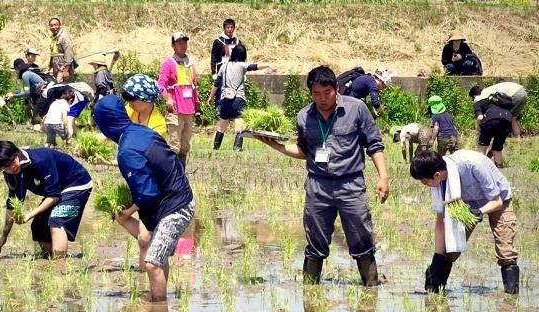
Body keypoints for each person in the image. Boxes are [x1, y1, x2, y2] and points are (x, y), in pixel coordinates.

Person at [251, 65, 390, 287]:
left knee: (361, 238)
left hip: (350, 184)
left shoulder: (357, 109)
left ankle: (371, 288)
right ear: (310, 93)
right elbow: (305, 152)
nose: (322, 98)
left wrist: (384, 177)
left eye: (327, 93)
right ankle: (310, 292)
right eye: (316, 94)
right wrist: (277, 147)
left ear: (336, 88)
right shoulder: (304, 116)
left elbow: (374, 145)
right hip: (318, 186)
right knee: (315, 242)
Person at [94, 95, 195, 303]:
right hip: (176, 197)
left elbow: (147, 194)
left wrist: (126, 213)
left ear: (105, 124)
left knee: (152, 264)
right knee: (157, 256)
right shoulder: (139, 131)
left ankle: (159, 310)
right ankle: (157, 298)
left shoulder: (126, 150)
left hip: (175, 207)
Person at [409, 150, 519, 294]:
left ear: (436, 175)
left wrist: (479, 212)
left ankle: (511, 299)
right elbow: (441, 222)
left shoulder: (474, 165)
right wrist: (437, 258)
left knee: (506, 252)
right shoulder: (443, 182)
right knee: (449, 250)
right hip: (467, 203)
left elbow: (496, 202)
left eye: (424, 182)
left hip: (498, 199)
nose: (425, 185)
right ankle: (436, 290)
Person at [0, 141, 92, 259]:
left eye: (12, 161)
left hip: (77, 183)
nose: (12, 167)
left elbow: (54, 196)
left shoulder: (40, 160)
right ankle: (50, 257)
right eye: (5, 167)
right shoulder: (11, 175)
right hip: (57, 190)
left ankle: (59, 265)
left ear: (17, 152)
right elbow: (12, 205)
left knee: (56, 219)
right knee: (38, 225)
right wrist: (4, 237)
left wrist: (29, 215)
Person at [207, 45, 270, 151]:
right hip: (238, 99)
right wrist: (268, 65)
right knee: (239, 127)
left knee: (221, 127)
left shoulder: (224, 66)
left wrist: (211, 97)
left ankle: (216, 147)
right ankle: (237, 148)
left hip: (225, 100)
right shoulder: (242, 65)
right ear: (243, 54)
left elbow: (216, 83)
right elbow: (255, 66)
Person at [158, 32, 200, 169]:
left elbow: (193, 86)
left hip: (189, 110)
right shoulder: (168, 64)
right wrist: (167, 98)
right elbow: (160, 85)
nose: (183, 45)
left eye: (184, 42)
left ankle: (181, 173)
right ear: (173, 46)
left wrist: (197, 102)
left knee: (185, 145)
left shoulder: (191, 64)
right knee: (174, 145)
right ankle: (172, 174)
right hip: (175, 110)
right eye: (179, 43)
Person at [470, 87, 515, 168]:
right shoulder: (493, 100)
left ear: (473, 96)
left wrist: (478, 130)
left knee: (482, 148)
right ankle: (500, 169)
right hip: (507, 121)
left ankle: (480, 168)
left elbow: (480, 117)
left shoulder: (478, 103)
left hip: (492, 120)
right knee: (497, 149)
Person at [48, 17, 76, 82]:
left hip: (63, 68)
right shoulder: (54, 38)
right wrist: (49, 67)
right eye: (51, 25)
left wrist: (66, 70)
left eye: (56, 25)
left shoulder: (64, 37)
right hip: (56, 67)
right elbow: (53, 54)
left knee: (63, 88)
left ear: (59, 26)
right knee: (58, 87)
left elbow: (68, 53)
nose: (54, 27)